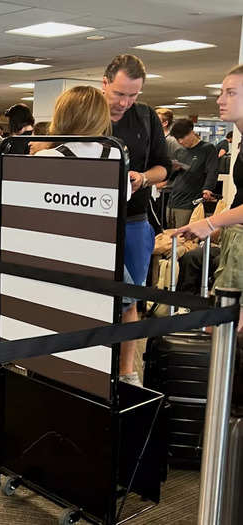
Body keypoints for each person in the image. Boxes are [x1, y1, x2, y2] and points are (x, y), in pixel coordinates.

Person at [103, 54, 172, 386]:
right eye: (119, 94)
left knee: (129, 301)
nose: (125, 102)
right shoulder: (87, 114)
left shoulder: (145, 117)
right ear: (104, 83)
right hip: (89, 222)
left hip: (133, 221)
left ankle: (126, 373)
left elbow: (164, 167)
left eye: (132, 95)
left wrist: (143, 178)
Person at [177, 64, 243, 333]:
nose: (220, 99)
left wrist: (211, 223)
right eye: (221, 92)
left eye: (231, 93)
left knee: (227, 330)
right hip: (235, 241)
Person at [166, 118, 218, 228]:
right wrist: (172, 169)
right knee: (170, 236)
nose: (180, 141)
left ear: (191, 133)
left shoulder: (207, 149)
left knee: (185, 238)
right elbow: (172, 177)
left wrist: (208, 189)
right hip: (173, 200)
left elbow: (212, 171)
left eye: (182, 138)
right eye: (177, 139)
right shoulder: (179, 151)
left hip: (190, 202)